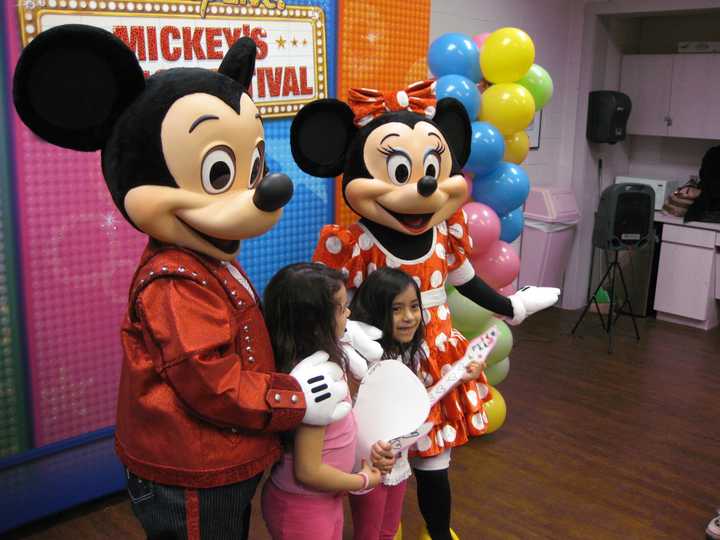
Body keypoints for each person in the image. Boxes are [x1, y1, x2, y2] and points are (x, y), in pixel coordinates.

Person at [348, 268, 484, 540]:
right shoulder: (365, 360)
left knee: (388, 530)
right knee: (369, 534)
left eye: (414, 307)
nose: (409, 317)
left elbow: (416, 402)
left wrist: (457, 376)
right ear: (376, 311)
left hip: (397, 462)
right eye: (397, 309)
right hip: (369, 462)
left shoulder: (408, 351)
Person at [261, 262, 393, 540]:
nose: (349, 313)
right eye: (342, 307)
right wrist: (362, 480)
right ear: (316, 322)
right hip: (303, 507)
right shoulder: (312, 380)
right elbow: (308, 471)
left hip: (324, 500)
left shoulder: (325, 360)